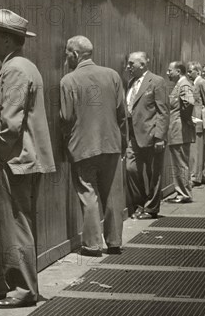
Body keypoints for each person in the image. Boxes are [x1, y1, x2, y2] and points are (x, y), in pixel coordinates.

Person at [0, 9, 55, 308]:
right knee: (21, 222)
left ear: (8, 40)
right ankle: (25, 286)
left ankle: (23, 290)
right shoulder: (22, 66)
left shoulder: (14, 70)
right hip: (25, 159)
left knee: (15, 225)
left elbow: (11, 122)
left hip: (13, 160)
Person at [60, 36, 125, 256]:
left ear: (75, 55)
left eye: (67, 53)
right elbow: (121, 112)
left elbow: (66, 116)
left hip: (83, 145)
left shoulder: (69, 80)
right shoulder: (112, 75)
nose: (65, 57)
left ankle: (92, 245)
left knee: (88, 193)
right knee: (112, 194)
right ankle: (114, 242)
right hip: (111, 143)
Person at [124, 52, 169, 219]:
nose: (128, 67)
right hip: (133, 136)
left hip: (151, 136)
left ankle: (151, 208)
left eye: (131, 64)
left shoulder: (157, 81)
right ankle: (139, 204)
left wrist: (159, 137)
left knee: (153, 174)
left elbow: (163, 111)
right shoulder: (131, 82)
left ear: (142, 65)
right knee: (131, 169)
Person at [166, 61, 196, 203]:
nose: (168, 73)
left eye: (170, 70)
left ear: (178, 71)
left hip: (180, 129)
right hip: (178, 129)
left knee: (180, 162)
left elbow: (189, 102)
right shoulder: (181, 84)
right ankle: (182, 191)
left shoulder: (183, 84)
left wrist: (185, 118)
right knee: (179, 162)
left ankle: (184, 193)